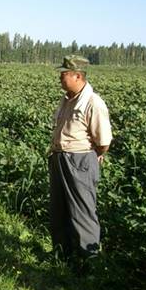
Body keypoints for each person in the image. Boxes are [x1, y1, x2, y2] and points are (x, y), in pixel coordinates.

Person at [48, 55, 112, 267]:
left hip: (80, 161)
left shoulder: (93, 102)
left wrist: (91, 155)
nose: (60, 77)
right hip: (60, 158)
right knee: (60, 210)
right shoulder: (67, 99)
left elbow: (103, 142)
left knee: (82, 212)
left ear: (77, 76)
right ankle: (62, 254)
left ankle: (89, 262)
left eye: (64, 74)